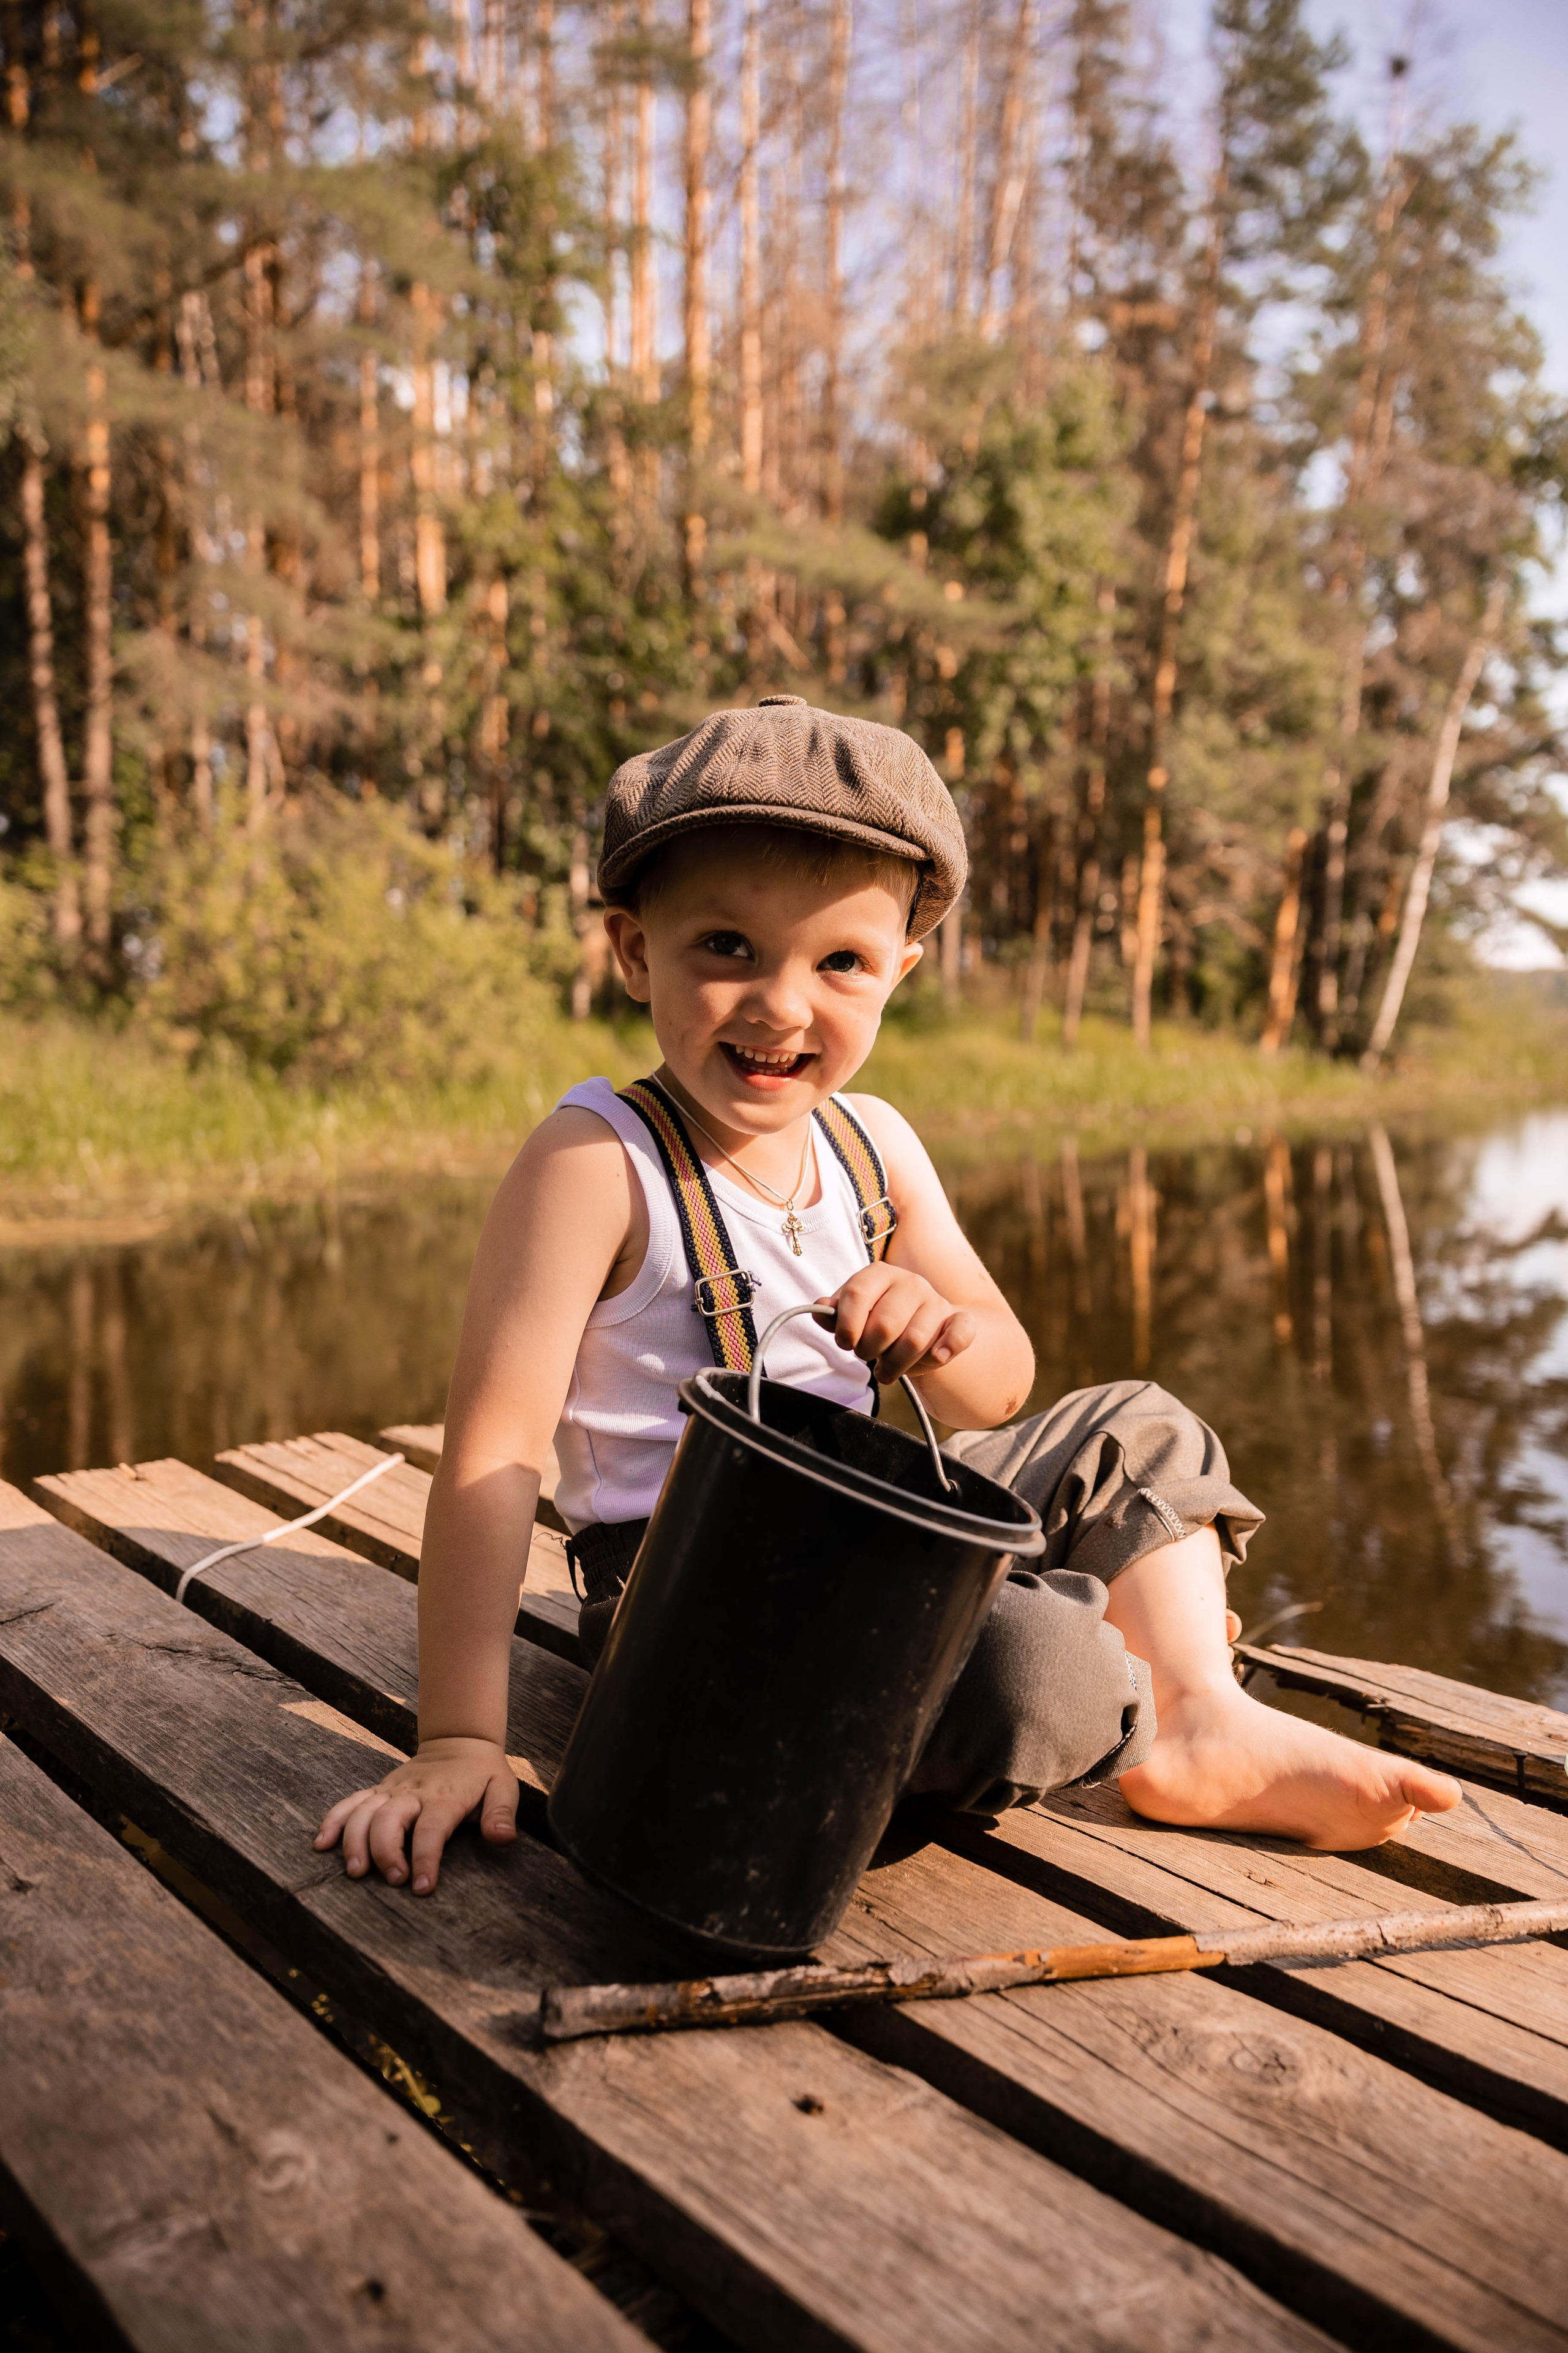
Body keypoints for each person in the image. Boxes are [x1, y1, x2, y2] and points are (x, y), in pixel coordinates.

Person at [316, 696, 1460, 1895]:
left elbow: (998, 1381)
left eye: (840, 962)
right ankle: (1120, 1669)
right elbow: (492, 1456)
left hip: (876, 1531)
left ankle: (1193, 1713)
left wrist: (935, 1337)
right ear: (634, 947)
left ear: (896, 972)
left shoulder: (874, 1145)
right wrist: (455, 1738)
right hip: (693, 1600)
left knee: (1138, 1424)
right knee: (1029, 1665)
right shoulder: (597, 1161)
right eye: (726, 947)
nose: (780, 1003)